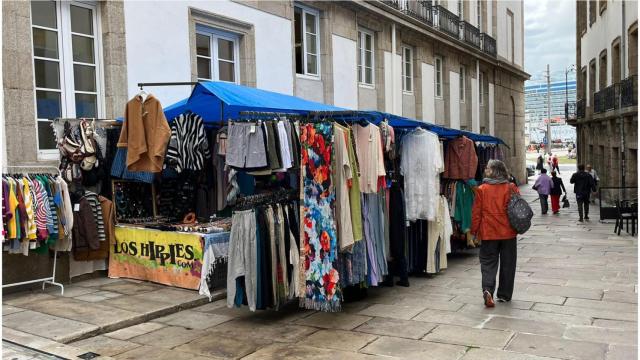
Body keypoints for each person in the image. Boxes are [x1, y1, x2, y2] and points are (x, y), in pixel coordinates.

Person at [471, 160, 519, 307]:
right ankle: (504, 294)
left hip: (489, 233)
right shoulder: (511, 187)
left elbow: (476, 213)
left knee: (487, 263)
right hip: (508, 233)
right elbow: (518, 208)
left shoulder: (482, 189)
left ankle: (488, 290)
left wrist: (474, 232)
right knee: (508, 264)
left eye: (488, 168)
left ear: (494, 171)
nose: (485, 170)